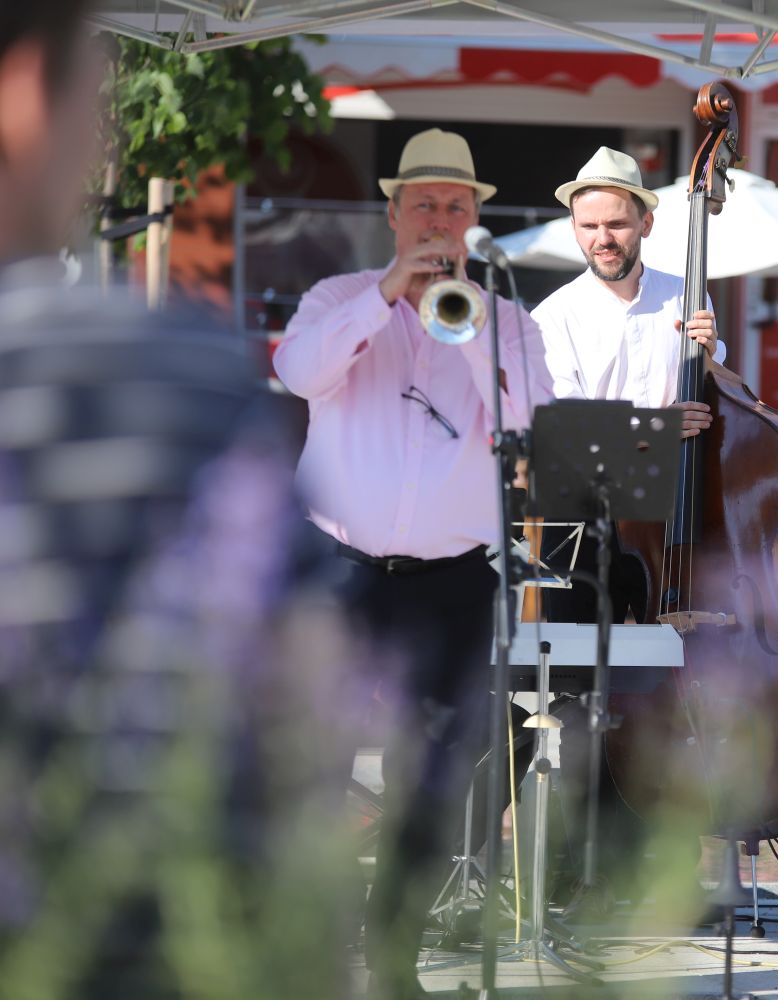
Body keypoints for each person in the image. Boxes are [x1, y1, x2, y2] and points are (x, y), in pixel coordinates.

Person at [1, 5, 358, 998]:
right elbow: (298, 739)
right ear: (30, 92)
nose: (101, 139)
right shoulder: (162, 364)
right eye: (99, 96)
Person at [272, 128, 551, 1000]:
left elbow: (534, 416)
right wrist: (387, 298)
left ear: (477, 221)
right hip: (338, 566)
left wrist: (458, 320)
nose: (439, 219)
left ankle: (392, 951)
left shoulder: (504, 318)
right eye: (424, 205)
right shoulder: (338, 295)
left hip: (452, 579)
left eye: (456, 206)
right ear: (392, 216)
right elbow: (296, 371)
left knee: (430, 778)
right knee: (310, 766)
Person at [532, 145, 721, 625]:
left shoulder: (687, 292)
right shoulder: (553, 315)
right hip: (581, 510)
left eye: (616, 224)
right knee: (578, 672)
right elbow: (566, 428)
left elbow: (726, 394)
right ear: (574, 228)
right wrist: (660, 425)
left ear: (646, 225)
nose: (602, 239)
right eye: (588, 226)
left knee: (679, 668)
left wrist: (713, 357)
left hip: (673, 506)